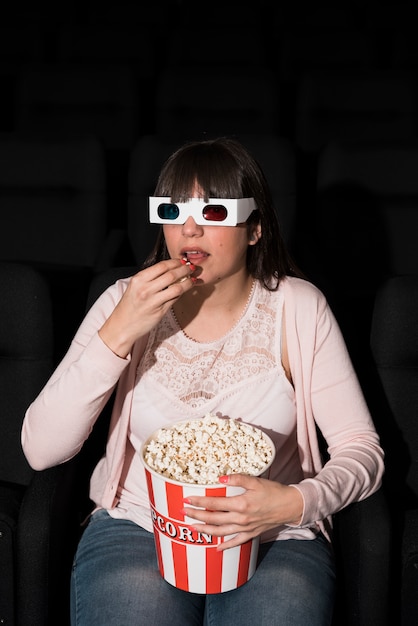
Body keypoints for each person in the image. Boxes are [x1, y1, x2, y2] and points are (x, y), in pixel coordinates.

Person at [21, 137, 384, 626]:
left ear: (254, 229)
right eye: (173, 210)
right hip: (138, 524)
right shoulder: (121, 302)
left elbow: (362, 448)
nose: (189, 227)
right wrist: (119, 332)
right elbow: (41, 449)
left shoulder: (299, 307)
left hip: (272, 533)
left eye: (213, 211)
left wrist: (296, 502)